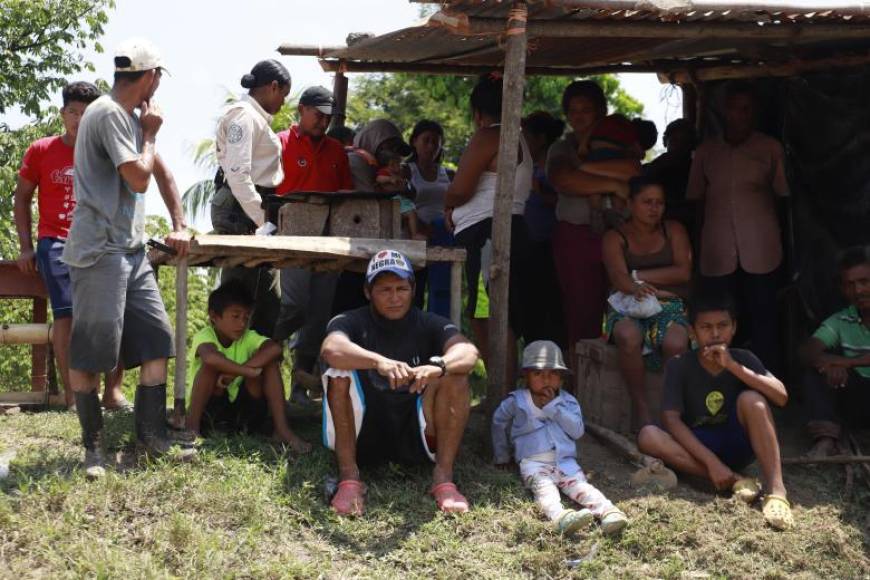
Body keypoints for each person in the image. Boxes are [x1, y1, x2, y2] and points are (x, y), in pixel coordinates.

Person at [61, 38, 193, 478]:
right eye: (158, 78)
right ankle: (93, 448)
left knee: (158, 339)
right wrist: (152, 133)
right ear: (150, 77)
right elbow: (139, 177)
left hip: (131, 252)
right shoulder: (109, 114)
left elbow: (162, 172)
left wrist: (179, 222)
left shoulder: (132, 119)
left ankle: (151, 439)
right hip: (99, 251)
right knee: (92, 352)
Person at [320, 249, 480, 516]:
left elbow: (468, 353)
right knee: (338, 371)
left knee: (456, 375)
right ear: (368, 291)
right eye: (384, 290)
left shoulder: (428, 322)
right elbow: (331, 348)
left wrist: (437, 367)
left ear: (413, 289)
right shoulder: (350, 320)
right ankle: (349, 478)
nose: (394, 298)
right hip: (363, 432)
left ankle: (443, 478)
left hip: (417, 428)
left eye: (401, 288)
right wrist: (378, 362)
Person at [13, 81, 127, 411]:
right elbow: (21, 197)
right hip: (57, 242)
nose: (79, 119)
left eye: (87, 113)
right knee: (67, 317)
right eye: (73, 112)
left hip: (102, 242)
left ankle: (112, 392)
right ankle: (74, 396)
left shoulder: (108, 150)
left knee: (112, 314)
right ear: (63, 114)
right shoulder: (41, 150)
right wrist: (25, 246)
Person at [637, 294, 793, 530]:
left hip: (736, 444)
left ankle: (776, 491)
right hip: (697, 449)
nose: (715, 334)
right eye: (706, 327)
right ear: (692, 332)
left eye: (723, 326)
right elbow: (671, 420)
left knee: (754, 400)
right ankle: (734, 480)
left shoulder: (744, 358)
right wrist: (711, 462)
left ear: (734, 328)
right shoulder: (679, 365)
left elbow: (780, 397)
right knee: (648, 435)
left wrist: (732, 366)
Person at [687, 81, 789, 374]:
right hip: (717, 252)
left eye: (746, 109)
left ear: (754, 113)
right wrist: (697, 252)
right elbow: (697, 203)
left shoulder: (769, 148)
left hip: (762, 249)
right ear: (724, 111)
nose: (739, 115)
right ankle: (722, 385)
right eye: (733, 109)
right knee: (720, 323)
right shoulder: (707, 152)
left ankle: (769, 384)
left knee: (765, 320)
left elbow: (783, 198)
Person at [445, 74, 532, 389]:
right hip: (508, 230)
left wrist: (448, 205)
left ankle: (502, 390)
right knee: (494, 312)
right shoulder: (519, 137)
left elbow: (459, 189)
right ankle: (503, 387)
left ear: (478, 113)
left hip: (487, 235)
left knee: (490, 314)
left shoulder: (488, 135)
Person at [492, 340, 630, 536]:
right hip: (533, 463)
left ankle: (609, 512)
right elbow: (499, 421)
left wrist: (554, 407)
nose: (546, 379)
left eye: (553, 373)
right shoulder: (517, 401)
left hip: (566, 464)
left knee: (582, 488)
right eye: (538, 373)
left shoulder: (567, 401)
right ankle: (560, 517)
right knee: (544, 490)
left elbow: (577, 431)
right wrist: (502, 455)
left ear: (561, 378)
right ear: (526, 377)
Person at [273, 86, 353, 408]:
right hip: (290, 239)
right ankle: (262, 355)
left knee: (319, 314)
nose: (322, 122)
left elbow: (346, 195)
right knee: (295, 305)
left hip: (328, 241)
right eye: (317, 114)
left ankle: (300, 384)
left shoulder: (337, 150)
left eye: (327, 117)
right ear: (301, 110)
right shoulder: (280, 142)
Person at [546, 81, 638, 360]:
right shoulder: (562, 147)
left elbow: (633, 170)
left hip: (619, 236)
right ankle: (579, 385)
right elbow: (565, 180)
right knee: (581, 314)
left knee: (624, 309)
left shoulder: (619, 142)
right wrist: (614, 186)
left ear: (600, 111)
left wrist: (586, 170)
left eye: (586, 110)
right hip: (576, 236)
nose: (579, 117)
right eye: (573, 111)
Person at [602, 176, 692, 427]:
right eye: (647, 202)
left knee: (676, 342)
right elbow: (618, 278)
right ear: (630, 203)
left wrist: (639, 277)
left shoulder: (673, 230)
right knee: (628, 336)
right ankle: (641, 410)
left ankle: (671, 413)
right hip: (628, 304)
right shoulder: (615, 237)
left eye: (659, 203)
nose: (654, 208)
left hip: (670, 304)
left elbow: (684, 272)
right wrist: (634, 286)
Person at [210, 60, 290, 339]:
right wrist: (261, 220)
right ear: (273, 87)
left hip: (253, 207)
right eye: (283, 95)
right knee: (237, 302)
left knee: (266, 302)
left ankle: (251, 376)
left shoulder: (254, 117)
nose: (282, 103)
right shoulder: (243, 116)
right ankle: (225, 374)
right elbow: (237, 173)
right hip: (240, 209)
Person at [185, 281, 310, 452]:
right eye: (235, 316)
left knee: (270, 364)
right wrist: (245, 371)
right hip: (211, 414)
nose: (242, 324)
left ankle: (282, 430)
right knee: (209, 367)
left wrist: (234, 375)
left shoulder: (248, 337)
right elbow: (210, 357)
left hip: (245, 415)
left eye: (246, 317)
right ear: (214, 316)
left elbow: (274, 349)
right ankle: (191, 429)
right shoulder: (205, 335)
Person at [333, 119, 413, 315]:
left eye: (396, 149)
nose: (393, 153)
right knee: (351, 311)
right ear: (373, 140)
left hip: (381, 249)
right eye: (389, 146)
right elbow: (370, 198)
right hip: (356, 247)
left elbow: (409, 194)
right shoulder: (357, 161)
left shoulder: (386, 167)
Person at [800, 245, 870, 457]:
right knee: (814, 374)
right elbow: (808, 351)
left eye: (864, 282)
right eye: (850, 285)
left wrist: (846, 363)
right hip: (859, 399)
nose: (858, 290)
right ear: (842, 289)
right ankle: (826, 439)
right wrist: (828, 366)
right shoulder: (841, 319)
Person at [521, 111, 567, 347]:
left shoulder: (553, 165)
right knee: (532, 309)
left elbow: (562, 200)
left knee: (550, 308)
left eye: (526, 135)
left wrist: (540, 191)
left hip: (549, 245)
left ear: (540, 138)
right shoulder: (526, 165)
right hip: (529, 243)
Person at [404, 119, 453, 317]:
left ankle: (439, 334)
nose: (431, 146)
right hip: (415, 236)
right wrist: (421, 227)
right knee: (414, 290)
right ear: (414, 141)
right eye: (426, 140)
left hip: (443, 235)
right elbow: (400, 202)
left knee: (441, 290)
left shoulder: (448, 174)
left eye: (436, 142)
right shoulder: (406, 170)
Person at [644, 118, 696, 230]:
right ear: (664, 141)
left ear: (693, 145)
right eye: (675, 141)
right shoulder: (655, 167)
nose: (680, 147)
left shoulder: (698, 169)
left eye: (685, 142)